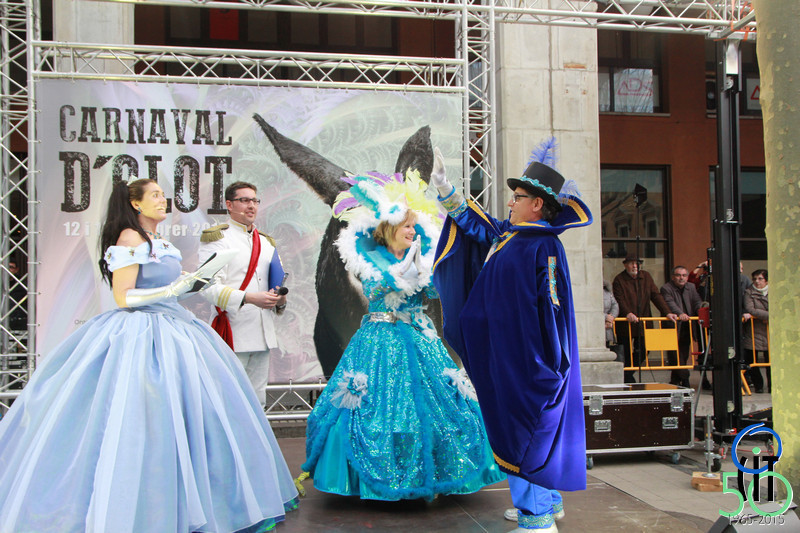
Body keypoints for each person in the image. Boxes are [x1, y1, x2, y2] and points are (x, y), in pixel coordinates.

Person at [0, 179, 298, 532]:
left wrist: (191, 284)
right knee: (143, 414)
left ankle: (192, 496)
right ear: (136, 204)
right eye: (155, 195)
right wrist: (174, 289)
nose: (162, 200)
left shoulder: (160, 241)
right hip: (140, 333)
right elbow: (124, 297)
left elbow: (170, 287)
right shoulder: (129, 239)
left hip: (175, 326)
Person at [299, 172, 504, 501]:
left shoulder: (421, 256)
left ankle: (433, 474)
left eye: (413, 226)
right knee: (375, 408)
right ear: (390, 228)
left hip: (419, 337)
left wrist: (428, 273)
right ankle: (379, 478)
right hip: (380, 341)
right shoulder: (370, 258)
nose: (412, 231)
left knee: (437, 406)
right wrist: (399, 275)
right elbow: (374, 289)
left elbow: (436, 292)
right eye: (407, 226)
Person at [430, 146, 590, 533]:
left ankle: (537, 520)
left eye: (517, 197)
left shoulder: (543, 245)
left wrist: (546, 365)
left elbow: (552, 307)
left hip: (525, 362)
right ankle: (547, 504)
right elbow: (476, 226)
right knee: (523, 430)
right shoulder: (514, 236)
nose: (510, 202)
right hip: (509, 356)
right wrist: (446, 189)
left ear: (537, 204)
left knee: (523, 433)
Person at [198, 181, 287, 407]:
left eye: (255, 201)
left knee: (257, 401)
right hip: (233, 331)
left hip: (263, 332)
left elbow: (275, 283)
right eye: (244, 200)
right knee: (227, 399)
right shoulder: (218, 238)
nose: (251, 206)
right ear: (229, 205)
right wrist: (248, 298)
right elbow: (208, 287)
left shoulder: (266, 242)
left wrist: (280, 300)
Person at [613, 255, 677, 383]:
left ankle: (627, 373)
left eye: (637, 263)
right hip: (626, 324)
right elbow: (619, 299)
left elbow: (656, 295)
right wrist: (627, 313)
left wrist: (667, 312)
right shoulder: (619, 279)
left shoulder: (646, 277)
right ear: (625, 265)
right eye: (631, 263)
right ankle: (628, 377)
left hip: (643, 322)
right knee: (626, 351)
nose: (634, 266)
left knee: (644, 349)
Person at [660, 266, 702, 388]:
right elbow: (670, 303)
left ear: (687, 277)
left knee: (683, 353)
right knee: (674, 354)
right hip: (672, 325)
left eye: (684, 275)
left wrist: (701, 309)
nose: (681, 278)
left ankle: (675, 380)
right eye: (678, 275)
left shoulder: (691, 287)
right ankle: (685, 378)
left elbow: (696, 301)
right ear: (673, 277)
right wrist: (680, 314)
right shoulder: (666, 288)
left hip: (686, 325)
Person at [742, 269, 770, 393]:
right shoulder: (749, 292)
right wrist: (770, 316)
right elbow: (750, 309)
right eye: (754, 279)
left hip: (769, 332)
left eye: (760, 279)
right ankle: (758, 385)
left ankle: (772, 386)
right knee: (752, 361)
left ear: (766, 280)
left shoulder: (773, 291)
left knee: (771, 361)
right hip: (754, 331)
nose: (757, 281)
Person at [603, 280, 624, 363]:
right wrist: (605, 317)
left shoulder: (607, 290)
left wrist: (611, 317)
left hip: (607, 328)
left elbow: (615, 305)